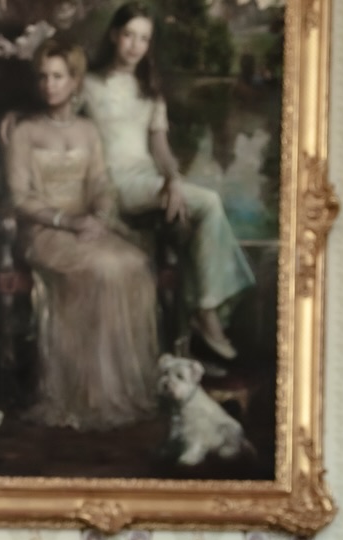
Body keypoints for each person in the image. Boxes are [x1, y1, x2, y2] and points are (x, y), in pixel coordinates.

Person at [85, 2, 255, 361]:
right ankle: (206, 311)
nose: (135, 45)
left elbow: (160, 148)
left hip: (146, 177)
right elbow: (60, 121)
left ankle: (201, 309)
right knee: (209, 203)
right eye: (129, 35)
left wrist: (174, 180)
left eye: (143, 39)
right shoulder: (89, 84)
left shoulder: (150, 90)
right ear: (114, 35)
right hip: (113, 182)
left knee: (200, 209)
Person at [5, 39, 159, 431]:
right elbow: (20, 198)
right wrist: (67, 221)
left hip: (87, 227)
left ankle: (111, 390)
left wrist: (100, 214)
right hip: (44, 231)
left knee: (133, 263)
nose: (49, 85)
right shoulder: (25, 131)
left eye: (58, 76)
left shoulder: (89, 131)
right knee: (104, 268)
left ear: (75, 81)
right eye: (43, 77)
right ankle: (79, 394)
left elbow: (101, 184)